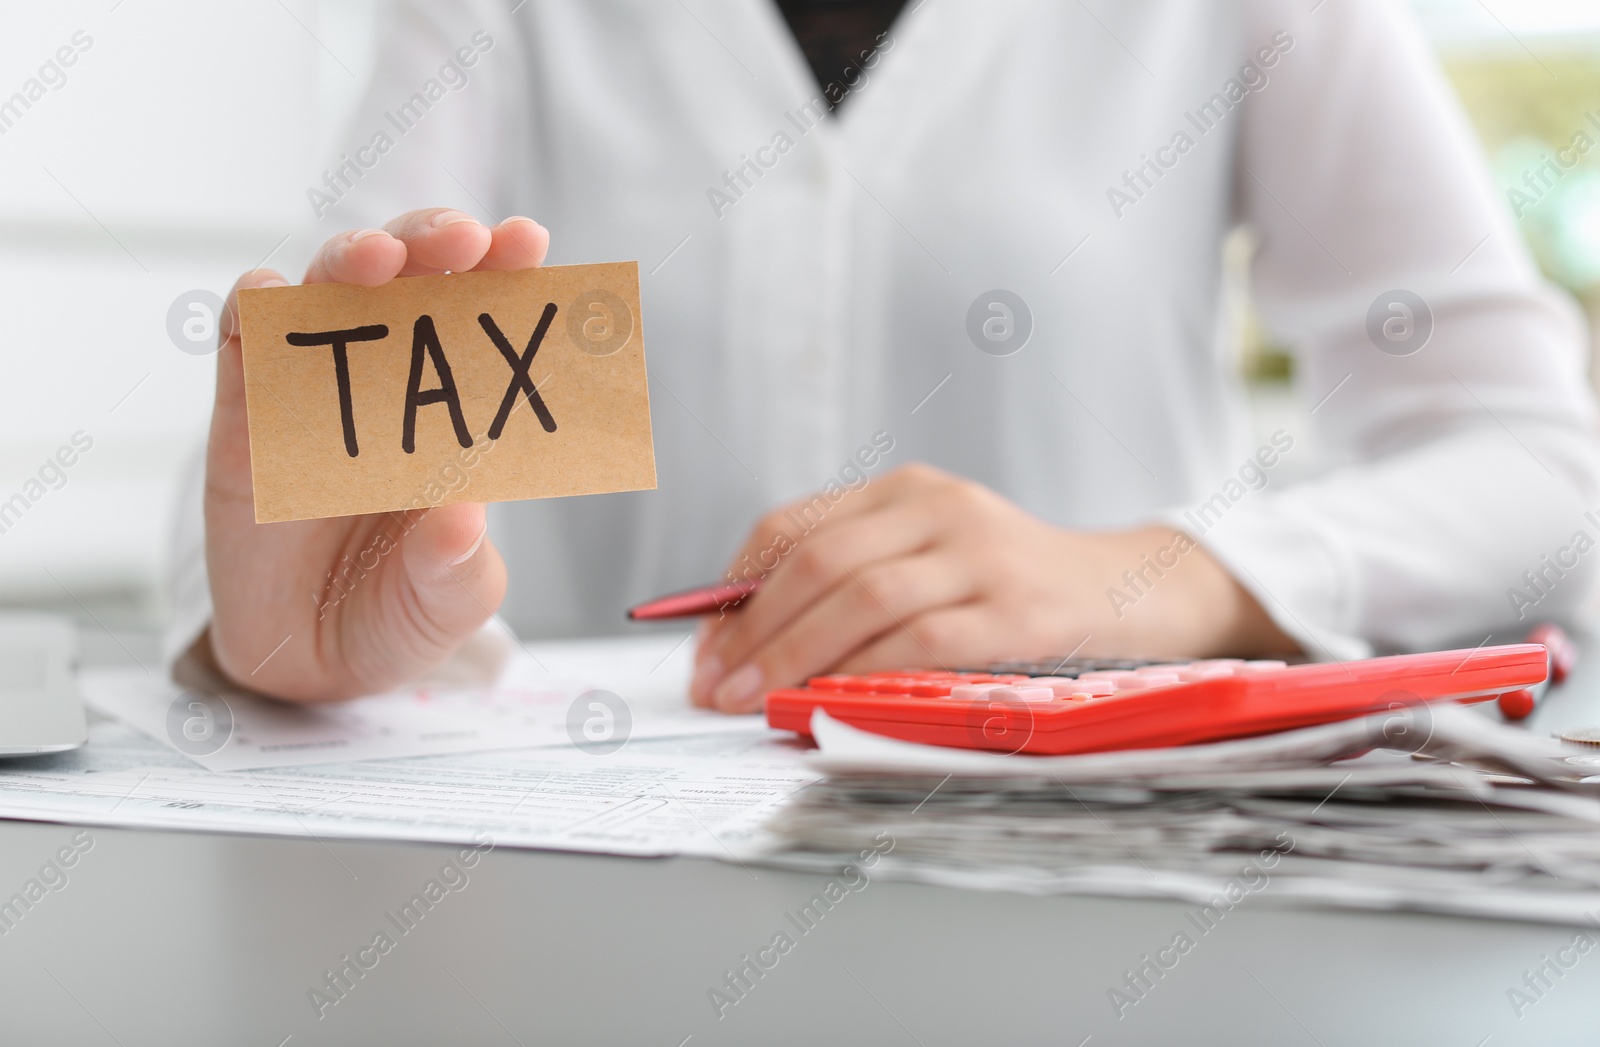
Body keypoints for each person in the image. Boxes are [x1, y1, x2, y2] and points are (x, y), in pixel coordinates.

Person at [170, 0, 1600, 713]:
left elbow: (1538, 461)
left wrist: (1163, 577)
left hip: (1099, 923)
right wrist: (268, 645)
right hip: (573, 922)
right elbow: (275, 495)